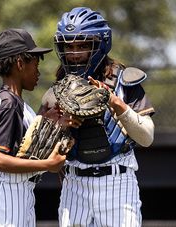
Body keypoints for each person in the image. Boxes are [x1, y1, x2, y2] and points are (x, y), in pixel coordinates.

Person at [39, 7, 155, 227]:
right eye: (69, 46)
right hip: (74, 185)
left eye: (83, 45)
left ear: (102, 44)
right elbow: (42, 157)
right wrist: (58, 127)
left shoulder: (125, 82)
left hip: (117, 182)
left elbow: (147, 137)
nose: (74, 53)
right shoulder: (56, 92)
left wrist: (115, 103)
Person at [0, 28, 68, 227]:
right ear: (20, 64)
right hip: (8, 195)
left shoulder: (13, 101)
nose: (37, 71)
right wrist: (48, 165)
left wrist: (47, 121)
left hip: (16, 192)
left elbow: (23, 144)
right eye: (35, 64)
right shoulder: (10, 104)